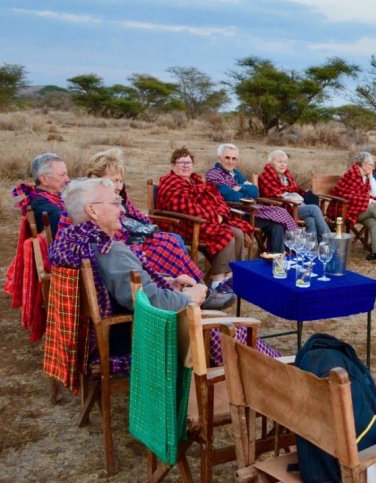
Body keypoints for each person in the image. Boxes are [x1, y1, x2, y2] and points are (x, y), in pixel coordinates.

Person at [50, 178, 274, 360]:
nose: (122, 209)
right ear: (93, 210)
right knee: (222, 328)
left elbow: (131, 290)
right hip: (135, 337)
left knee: (211, 318)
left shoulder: (77, 241)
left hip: (118, 330)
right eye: (115, 203)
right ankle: (269, 373)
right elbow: (152, 303)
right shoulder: (109, 251)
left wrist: (168, 282)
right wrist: (190, 297)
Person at [84, 148, 207, 283]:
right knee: (169, 243)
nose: (119, 186)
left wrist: (145, 226)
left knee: (170, 241)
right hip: (121, 248)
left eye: (120, 181)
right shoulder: (94, 204)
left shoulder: (119, 197)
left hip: (135, 235)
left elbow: (138, 216)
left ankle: (195, 284)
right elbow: (110, 239)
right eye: (114, 181)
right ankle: (190, 286)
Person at [156, 146, 254, 292]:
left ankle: (230, 276)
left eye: (188, 163)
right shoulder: (171, 183)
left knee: (238, 233)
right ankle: (217, 281)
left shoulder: (197, 182)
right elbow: (186, 208)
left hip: (207, 221)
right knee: (227, 234)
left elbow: (218, 199)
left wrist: (220, 214)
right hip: (185, 224)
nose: (185, 166)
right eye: (181, 163)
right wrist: (215, 217)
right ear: (173, 165)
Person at [205, 143, 298, 252]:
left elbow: (254, 191)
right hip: (234, 213)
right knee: (281, 214)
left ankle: (278, 261)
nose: (231, 161)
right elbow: (229, 195)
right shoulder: (214, 174)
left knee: (277, 226)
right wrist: (244, 193)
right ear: (219, 159)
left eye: (234, 158)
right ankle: (286, 256)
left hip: (249, 210)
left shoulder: (236, 173)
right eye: (227, 158)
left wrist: (239, 187)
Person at [257, 149, 331, 241]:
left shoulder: (286, 176)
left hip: (297, 205)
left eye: (285, 162)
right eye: (279, 162)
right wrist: (289, 194)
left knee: (310, 220)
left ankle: (311, 250)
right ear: (271, 163)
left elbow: (295, 189)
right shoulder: (265, 176)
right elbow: (271, 193)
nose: (283, 164)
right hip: (283, 208)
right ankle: (330, 243)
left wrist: (303, 193)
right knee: (314, 209)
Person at [12, 153, 70, 235]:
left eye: (67, 174)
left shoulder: (48, 197)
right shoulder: (44, 207)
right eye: (62, 175)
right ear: (44, 179)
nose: (68, 179)